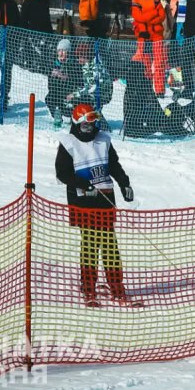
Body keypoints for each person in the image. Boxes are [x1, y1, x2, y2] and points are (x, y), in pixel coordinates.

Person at [54, 104, 138, 307]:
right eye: (84, 126)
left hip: (105, 197)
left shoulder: (104, 140)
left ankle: (116, 286)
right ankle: (88, 287)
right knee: (90, 244)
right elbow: (62, 173)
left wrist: (124, 183)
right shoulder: (69, 143)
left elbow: (114, 165)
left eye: (92, 125)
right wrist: (83, 184)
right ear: (76, 125)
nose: (89, 129)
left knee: (110, 244)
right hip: (82, 200)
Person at [129, 0, 167, 96]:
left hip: (156, 35)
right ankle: (145, 88)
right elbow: (138, 17)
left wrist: (146, 18)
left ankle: (160, 90)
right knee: (143, 61)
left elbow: (162, 16)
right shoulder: (136, 0)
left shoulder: (157, 0)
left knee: (159, 63)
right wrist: (153, 13)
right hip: (143, 36)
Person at [45, 38, 82, 126]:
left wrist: (67, 78)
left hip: (71, 96)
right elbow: (50, 87)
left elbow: (79, 83)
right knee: (49, 98)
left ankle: (74, 119)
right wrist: (54, 77)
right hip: (59, 96)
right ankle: (57, 117)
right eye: (59, 51)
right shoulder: (53, 65)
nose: (61, 53)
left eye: (64, 51)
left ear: (68, 52)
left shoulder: (74, 65)